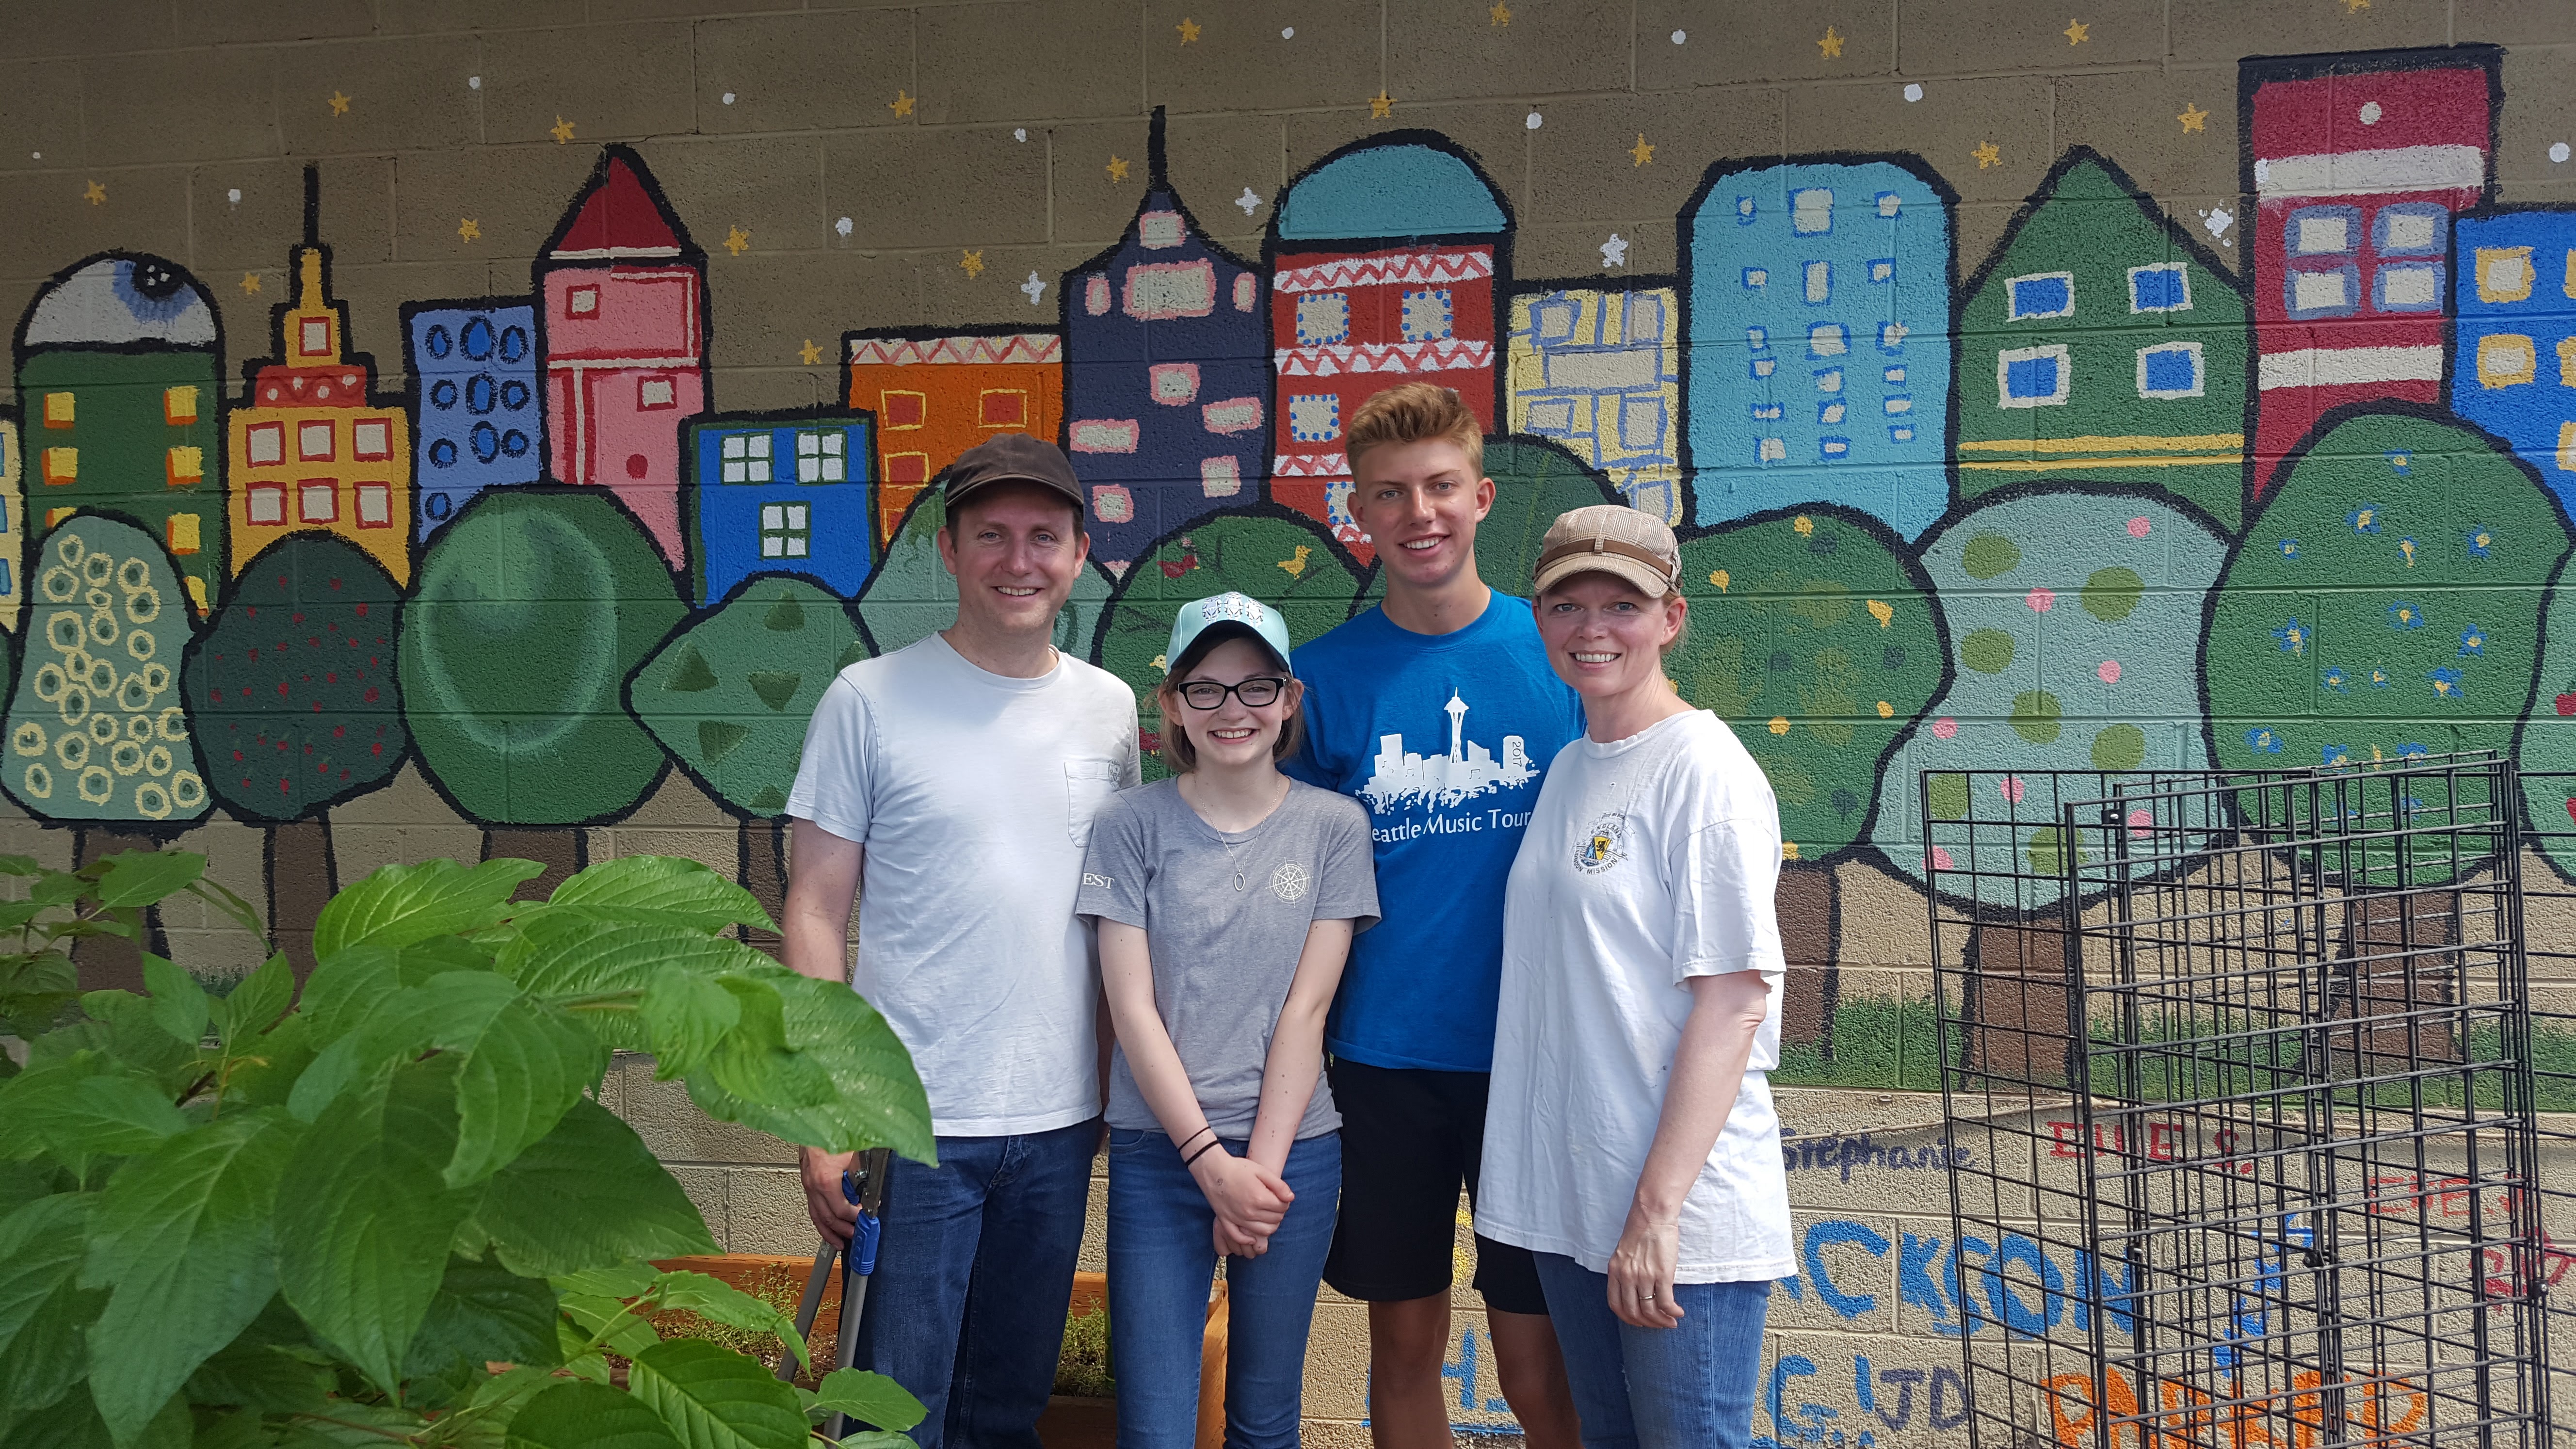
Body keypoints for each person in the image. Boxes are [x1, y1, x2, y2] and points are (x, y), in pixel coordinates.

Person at [780, 433, 1140, 1449]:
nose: (1017, 560)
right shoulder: (868, 699)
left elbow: (1108, 909)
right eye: (992, 535)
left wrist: (1110, 1079)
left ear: (1077, 555)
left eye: (1042, 537)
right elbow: (811, 911)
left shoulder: (1108, 710)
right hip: (912, 1127)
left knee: (1007, 1410)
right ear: (949, 550)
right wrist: (823, 1114)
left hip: (1062, 1124)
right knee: (894, 1416)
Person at [1284, 382, 1585, 1447]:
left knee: (1533, 1361)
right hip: (1381, 1063)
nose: (1420, 513)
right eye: (1391, 493)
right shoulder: (1318, 683)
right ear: (1356, 511)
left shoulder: (1560, 656)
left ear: (1481, 497)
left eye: (1441, 487)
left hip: (1534, 1058)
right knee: (1403, 1347)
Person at [1478, 505, 1794, 1449]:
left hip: (1675, 1216)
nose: (1592, 629)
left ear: (1670, 618)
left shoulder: (1703, 771)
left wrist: (1657, 1215)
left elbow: (1734, 1002)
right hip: (1578, 1201)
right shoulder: (1575, 765)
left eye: (1622, 604)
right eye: (1566, 604)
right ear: (1539, 620)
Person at [1079, 591, 1378, 1449]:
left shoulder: (1334, 828)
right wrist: (1211, 1164)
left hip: (1292, 1160)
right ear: (1171, 704)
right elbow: (1131, 1008)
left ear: (1289, 700)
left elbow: (1307, 1008)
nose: (1232, 710)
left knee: (1263, 1416)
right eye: (1205, 689)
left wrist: (1256, 1180)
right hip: (1159, 1153)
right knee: (1157, 1421)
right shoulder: (1128, 826)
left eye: (1256, 687)